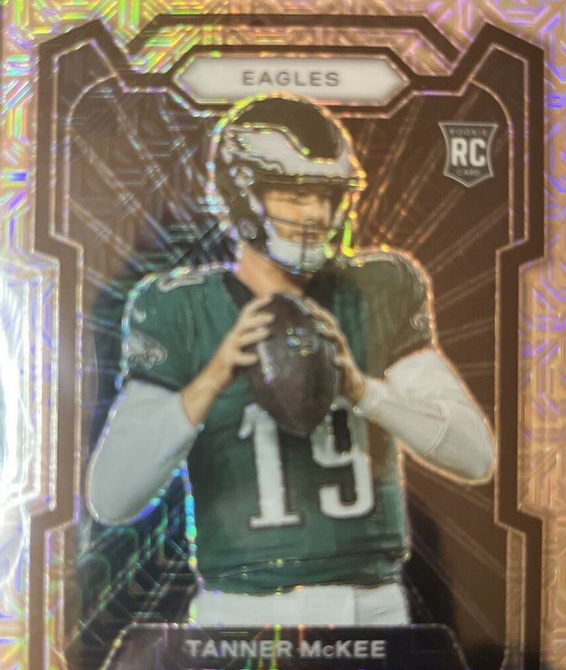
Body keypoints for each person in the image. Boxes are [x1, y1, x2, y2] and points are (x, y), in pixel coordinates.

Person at [87, 94, 494, 627]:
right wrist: (212, 377)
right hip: (239, 608)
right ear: (241, 194)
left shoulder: (377, 288)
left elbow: (476, 458)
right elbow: (112, 497)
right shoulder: (179, 309)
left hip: (373, 605)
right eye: (294, 192)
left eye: (327, 194)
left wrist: (363, 390)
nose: (315, 214)